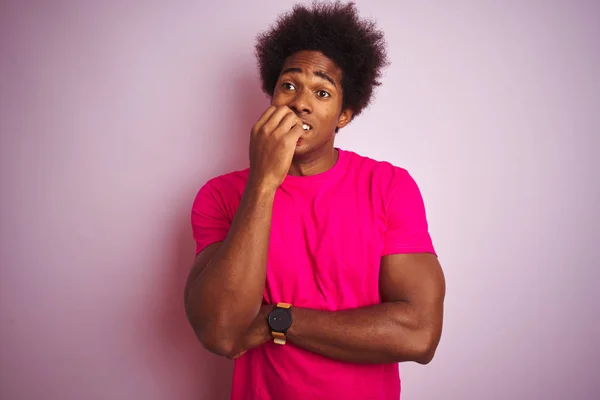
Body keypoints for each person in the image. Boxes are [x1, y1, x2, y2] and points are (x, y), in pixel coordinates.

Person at [184, 1, 446, 399]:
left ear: (344, 114)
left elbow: (419, 334)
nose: (300, 103)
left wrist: (279, 319)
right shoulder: (220, 196)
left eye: (322, 92)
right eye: (289, 85)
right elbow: (220, 331)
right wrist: (263, 182)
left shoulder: (389, 186)